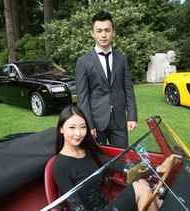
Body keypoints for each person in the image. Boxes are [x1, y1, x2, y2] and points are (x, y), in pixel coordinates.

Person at [52, 106, 178, 211]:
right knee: (142, 186)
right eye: (72, 127)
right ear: (61, 129)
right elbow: (76, 205)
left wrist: (156, 168)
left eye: (83, 127)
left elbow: (118, 165)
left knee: (156, 195)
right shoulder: (60, 166)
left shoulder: (88, 149)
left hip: (107, 205)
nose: (78, 133)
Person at [75, 10, 137, 148]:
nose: (103, 35)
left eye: (107, 30)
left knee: (122, 159)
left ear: (113, 32)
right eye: (99, 31)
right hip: (96, 123)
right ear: (93, 33)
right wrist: (87, 124)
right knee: (98, 162)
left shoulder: (122, 59)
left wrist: (132, 116)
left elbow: (128, 88)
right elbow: (82, 97)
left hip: (119, 121)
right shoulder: (83, 62)